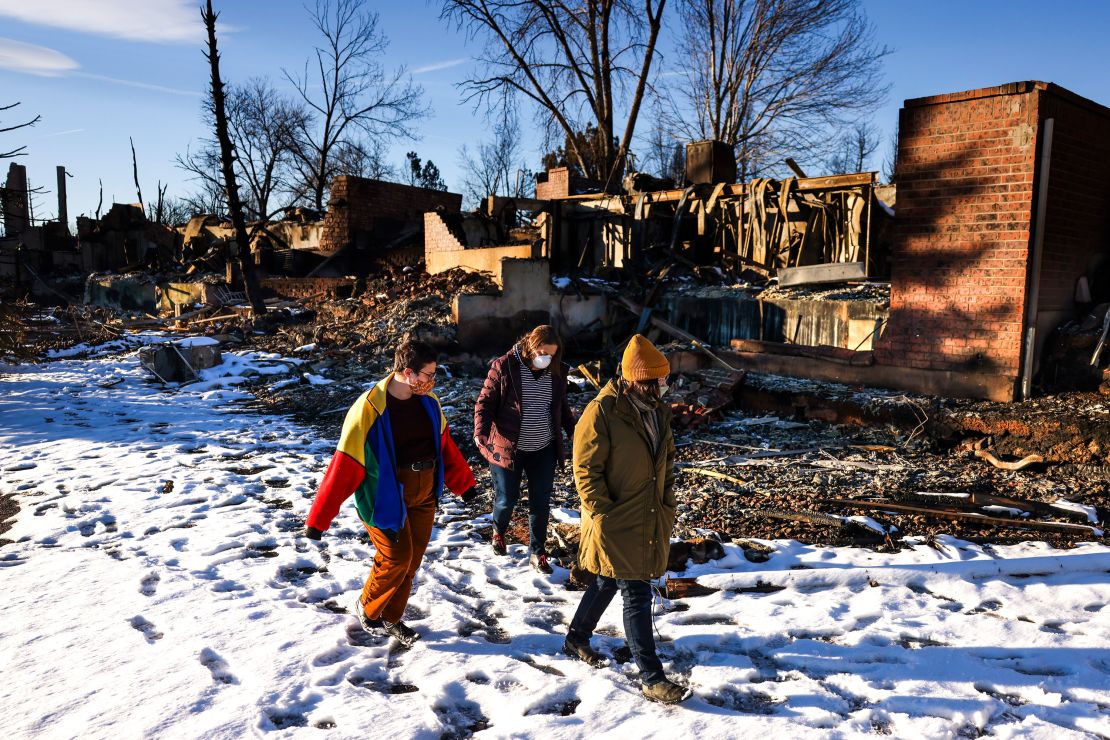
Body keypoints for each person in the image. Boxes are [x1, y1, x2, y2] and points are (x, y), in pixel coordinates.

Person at [304, 339, 477, 647]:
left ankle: (392, 618)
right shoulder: (369, 408)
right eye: (426, 374)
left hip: (424, 492)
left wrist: (464, 485)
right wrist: (319, 520)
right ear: (407, 372)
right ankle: (369, 608)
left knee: (412, 562)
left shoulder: (429, 403)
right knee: (396, 557)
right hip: (385, 496)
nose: (431, 381)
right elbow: (345, 464)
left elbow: (445, 447)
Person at [562, 334, 691, 704]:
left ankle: (576, 637)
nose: (665, 387)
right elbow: (585, 468)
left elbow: (666, 460)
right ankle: (652, 677)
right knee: (635, 592)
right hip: (616, 517)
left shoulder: (656, 410)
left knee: (606, 579)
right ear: (639, 379)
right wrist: (603, 511)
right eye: (659, 381)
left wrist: (666, 501)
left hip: (648, 512)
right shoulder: (603, 412)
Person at [474, 325, 576, 574]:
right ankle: (498, 531)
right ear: (530, 346)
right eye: (541, 352)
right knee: (507, 498)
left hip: (544, 447)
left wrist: (574, 430)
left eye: (550, 354)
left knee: (541, 502)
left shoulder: (556, 372)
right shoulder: (504, 366)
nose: (545, 357)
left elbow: (560, 405)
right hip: (508, 447)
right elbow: (485, 402)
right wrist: (481, 432)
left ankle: (537, 552)